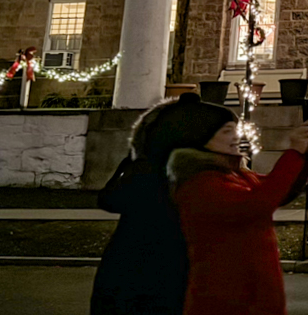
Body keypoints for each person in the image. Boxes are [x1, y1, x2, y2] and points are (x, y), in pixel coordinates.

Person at [92, 93, 238, 315]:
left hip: (128, 272)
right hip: (163, 276)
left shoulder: (145, 169)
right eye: (226, 131)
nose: (235, 138)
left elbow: (109, 199)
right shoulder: (191, 177)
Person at [168, 108, 308, 315]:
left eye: (235, 129)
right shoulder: (200, 184)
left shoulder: (236, 175)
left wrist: (305, 156)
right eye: (227, 131)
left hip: (257, 297)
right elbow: (258, 203)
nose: (236, 136)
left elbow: (278, 191)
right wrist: (294, 153)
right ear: (202, 139)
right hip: (225, 300)